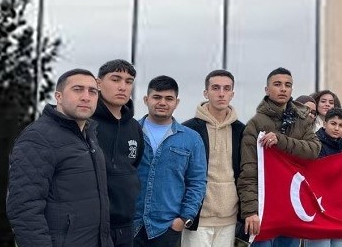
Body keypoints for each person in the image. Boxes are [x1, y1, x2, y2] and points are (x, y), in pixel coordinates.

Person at [7, 68, 111, 247]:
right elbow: (24, 209)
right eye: (77, 89)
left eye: (92, 91)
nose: (86, 96)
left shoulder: (90, 135)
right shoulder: (38, 138)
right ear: (59, 96)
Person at [238, 67, 319, 247]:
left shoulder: (303, 121)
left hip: (292, 204)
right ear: (267, 90)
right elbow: (249, 170)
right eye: (277, 84)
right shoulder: (255, 124)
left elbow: (314, 150)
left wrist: (281, 141)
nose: (283, 89)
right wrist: (250, 211)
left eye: (287, 85)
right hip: (264, 206)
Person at [134, 75, 207, 247]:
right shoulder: (130, 131)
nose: (162, 102)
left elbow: (197, 181)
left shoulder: (191, 139)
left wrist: (183, 218)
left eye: (169, 98)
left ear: (177, 102)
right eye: (157, 97)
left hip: (167, 227)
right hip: (131, 224)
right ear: (146, 99)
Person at [182, 70, 245, 247]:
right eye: (215, 88)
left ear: (232, 93)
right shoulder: (188, 129)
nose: (221, 93)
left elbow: (247, 173)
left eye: (227, 88)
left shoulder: (242, 131)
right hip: (197, 217)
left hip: (229, 217)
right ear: (206, 92)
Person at [92, 59, 144, 247]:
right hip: (90, 225)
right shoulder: (85, 122)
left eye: (128, 81)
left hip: (124, 225)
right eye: (115, 79)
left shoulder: (134, 127)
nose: (122, 86)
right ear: (98, 83)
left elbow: (133, 165)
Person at [309, 107, 342, 247]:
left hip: (337, 207)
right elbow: (323, 170)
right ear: (324, 124)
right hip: (319, 206)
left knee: (337, 245)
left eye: (341, 125)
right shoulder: (315, 143)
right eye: (333, 124)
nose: (337, 128)